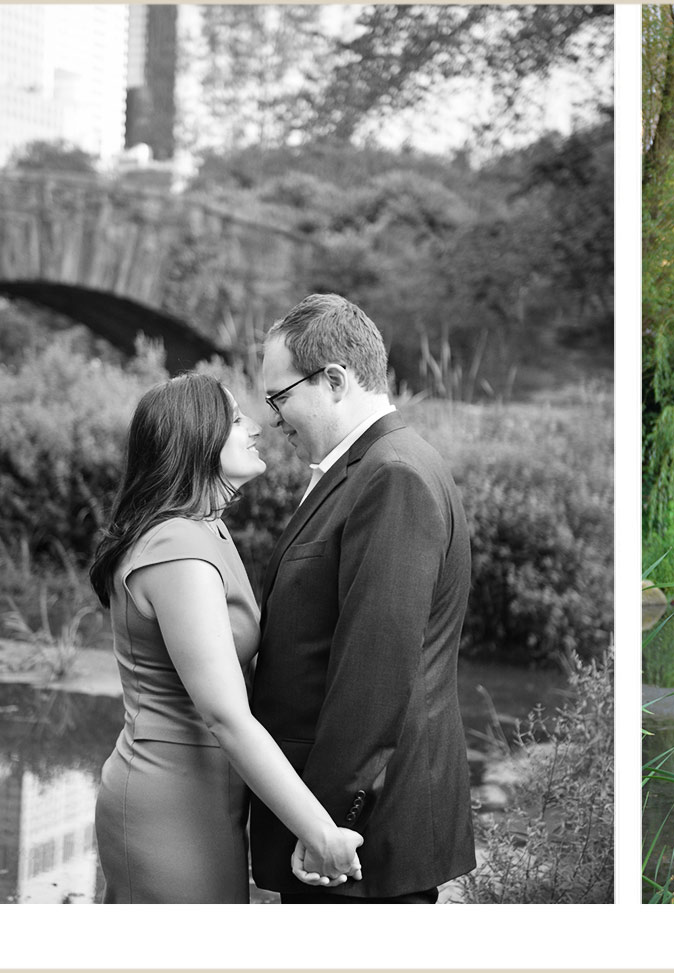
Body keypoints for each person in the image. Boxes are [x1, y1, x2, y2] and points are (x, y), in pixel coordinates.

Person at [90, 374, 364, 903]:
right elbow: (225, 714)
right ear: (198, 439)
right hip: (170, 799)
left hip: (209, 793)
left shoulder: (204, 529)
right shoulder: (177, 549)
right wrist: (319, 831)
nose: (255, 426)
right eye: (235, 418)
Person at [249, 293, 476, 903]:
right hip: (347, 831)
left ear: (333, 381)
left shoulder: (392, 475)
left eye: (280, 398)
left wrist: (322, 823)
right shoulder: (368, 467)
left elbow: (375, 672)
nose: (272, 418)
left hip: (355, 839)